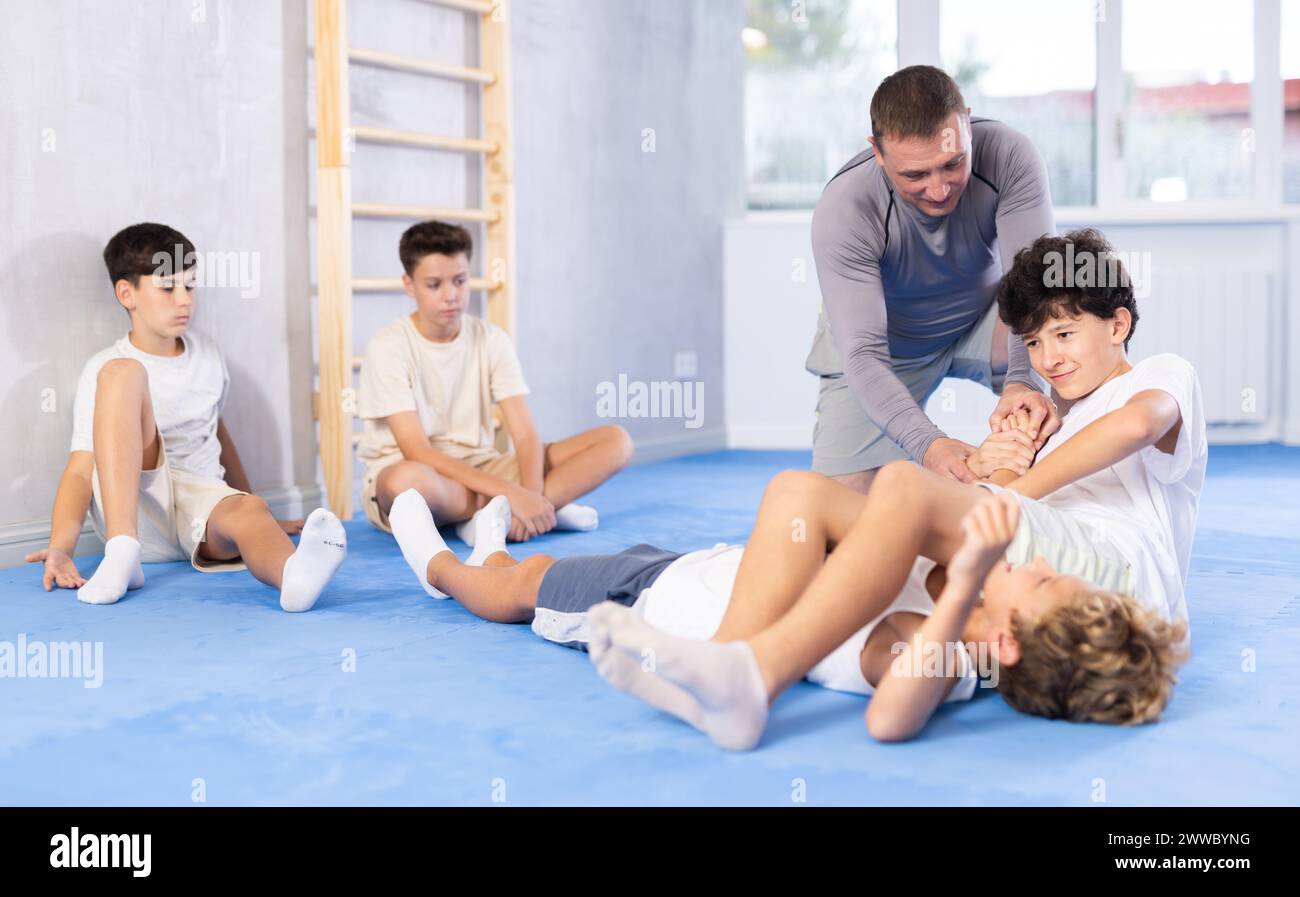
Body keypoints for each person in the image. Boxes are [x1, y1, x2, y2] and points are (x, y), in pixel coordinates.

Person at [589, 228, 1206, 747]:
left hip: (1108, 582)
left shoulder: (1156, 375)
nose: (1047, 359)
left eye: (1064, 335)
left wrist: (1014, 487)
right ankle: (725, 663)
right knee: (798, 494)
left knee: (903, 489)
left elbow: (1134, 426)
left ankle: (761, 672)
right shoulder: (1052, 418)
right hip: (1041, 553)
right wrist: (1001, 462)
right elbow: (1000, 503)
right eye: (1034, 342)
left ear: (1119, 324)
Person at [28, 223, 347, 612]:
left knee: (250, 512)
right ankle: (122, 554)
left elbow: (216, 434)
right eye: (168, 288)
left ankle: (293, 578)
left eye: (190, 286)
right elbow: (81, 468)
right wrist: (61, 547)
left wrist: (257, 505)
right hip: (138, 511)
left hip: (200, 505)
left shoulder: (207, 354)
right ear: (126, 294)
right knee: (122, 373)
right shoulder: (105, 366)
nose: (184, 301)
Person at [808, 64, 1060, 491]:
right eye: (915, 175)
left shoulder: (1011, 155)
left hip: (989, 321)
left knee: (1065, 334)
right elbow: (864, 354)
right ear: (878, 151)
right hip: (887, 346)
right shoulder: (845, 208)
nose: (940, 189)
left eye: (952, 163)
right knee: (840, 516)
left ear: (966, 120)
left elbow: (1035, 290)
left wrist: (1022, 380)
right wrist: (930, 445)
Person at [356, 221, 634, 544]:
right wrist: (510, 493)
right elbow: (418, 452)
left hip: (484, 467)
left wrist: (528, 496)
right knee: (404, 482)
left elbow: (526, 436)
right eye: (434, 285)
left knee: (616, 442)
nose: (451, 295)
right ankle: (532, 511)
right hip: (422, 473)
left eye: (460, 281)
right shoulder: (387, 347)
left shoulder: (491, 340)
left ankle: (512, 515)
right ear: (409, 285)